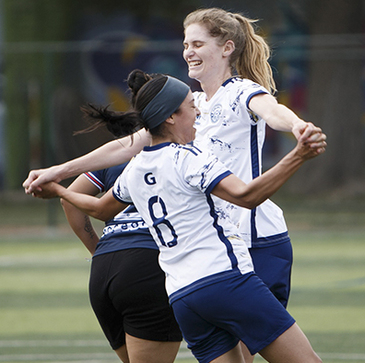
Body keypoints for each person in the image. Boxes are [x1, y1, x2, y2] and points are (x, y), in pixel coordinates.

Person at [24, 8, 326, 362]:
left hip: (256, 238)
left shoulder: (242, 91)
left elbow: (274, 112)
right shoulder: (189, 105)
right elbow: (126, 145)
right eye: (186, 44)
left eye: (198, 43)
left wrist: (298, 127)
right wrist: (59, 170)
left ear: (227, 48)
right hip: (217, 247)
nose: (188, 51)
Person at [62, 162, 183, 363]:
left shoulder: (113, 157)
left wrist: (97, 249)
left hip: (104, 266)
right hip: (149, 265)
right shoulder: (181, 151)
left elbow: (69, 199)